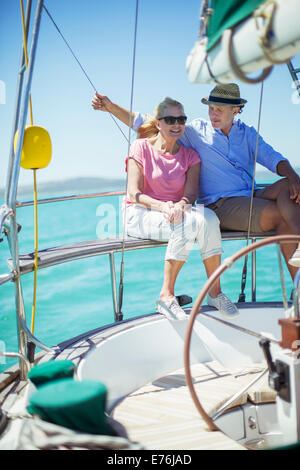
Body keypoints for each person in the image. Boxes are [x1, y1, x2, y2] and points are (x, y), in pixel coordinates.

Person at [92, 84, 300, 281]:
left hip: (251, 195)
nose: (213, 114)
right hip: (221, 203)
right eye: (211, 109)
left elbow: (274, 158)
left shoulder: (247, 133)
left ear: (235, 110)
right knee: (282, 213)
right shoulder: (195, 131)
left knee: (289, 186)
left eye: (219, 109)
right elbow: (145, 122)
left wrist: (293, 176)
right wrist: (110, 107)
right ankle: (298, 283)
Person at [115, 96, 238, 320]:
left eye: (181, 119)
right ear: (158, 123)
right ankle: (166, 296)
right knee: (187, 222)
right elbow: (134, 193)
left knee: (209, 218)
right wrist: (164, 206)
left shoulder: (191, 156)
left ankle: (215, 293)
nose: (176, 125)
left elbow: (190, 194)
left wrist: (181, 204)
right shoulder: (140, 147)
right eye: (170, 120)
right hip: (139, 212)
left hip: (174, 211)